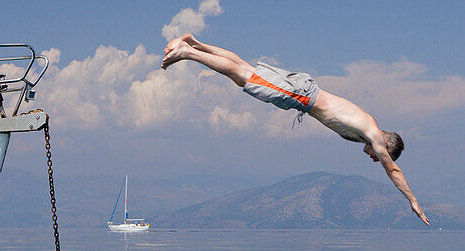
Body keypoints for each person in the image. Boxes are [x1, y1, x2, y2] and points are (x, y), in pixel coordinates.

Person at [161, 34, 429, 224]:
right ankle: (188, 53)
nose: (374, 157)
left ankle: (193, 43)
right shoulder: (372, 133)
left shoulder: (367, 125)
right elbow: (392, 170)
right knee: (243, 77)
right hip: (303, 96)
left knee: (244, 70)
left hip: (304, 89)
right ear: (386, 146)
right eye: (378, 156)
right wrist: (412, 201)